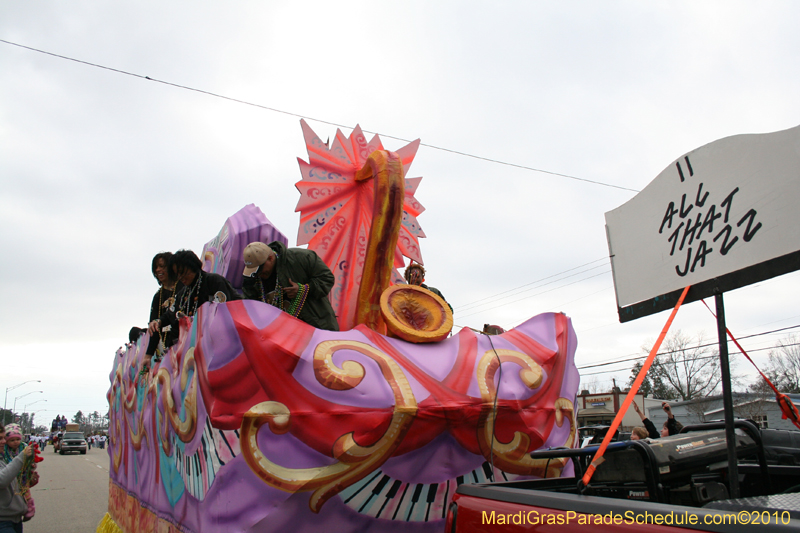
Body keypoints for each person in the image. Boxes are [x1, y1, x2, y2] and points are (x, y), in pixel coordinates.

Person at [148, 250, 241, 348]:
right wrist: (158, 322)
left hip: (225, 340)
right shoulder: (183, 293)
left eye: (183, 273)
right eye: (177, 275)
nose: (181, 277)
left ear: (193, 267)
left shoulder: (214, 281)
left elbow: (226, 310)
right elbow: (171, 314)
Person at [241, 241, 339, 331]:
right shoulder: (254, 278)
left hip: (317, 329)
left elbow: (327, 278)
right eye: (254, 271)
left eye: (260, 269)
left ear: (270, 258)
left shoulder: (301, 257)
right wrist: (248, 286)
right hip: (282, 335)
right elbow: (250, 307)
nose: (258, 274)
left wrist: (304, 289)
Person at [0, 424, 34, 532]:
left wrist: (29, 475)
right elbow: (2, 481)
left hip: (15, 519)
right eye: (0, 439)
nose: (4, 441)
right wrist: (21, 457)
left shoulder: (3, 458)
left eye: (4, 438)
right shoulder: (8, 457)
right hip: (3, 521)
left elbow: (14, 482)